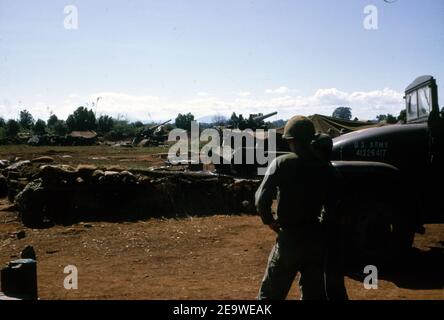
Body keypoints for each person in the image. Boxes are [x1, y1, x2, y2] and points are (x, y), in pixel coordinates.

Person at [255, 116, 335, 300]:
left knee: (270, 295)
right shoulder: (326, 167)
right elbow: (333, 205)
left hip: (290, 238)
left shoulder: (281, 163)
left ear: (290, 139)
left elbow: (261, 199)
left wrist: (270, 221)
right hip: (315, 238)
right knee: (313, 294)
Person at [311, 133, 349, 301]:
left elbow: (329, 207)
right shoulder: (331, 170)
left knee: (329, 270)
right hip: (334, 226)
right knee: (332, 270)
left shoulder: (323, 172)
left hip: (329, 226)